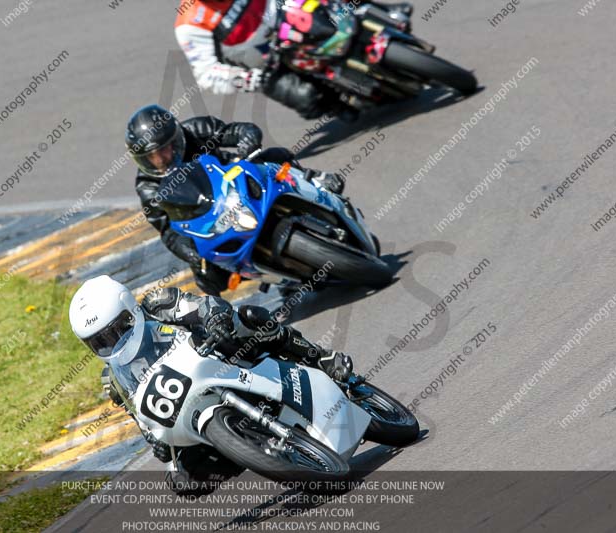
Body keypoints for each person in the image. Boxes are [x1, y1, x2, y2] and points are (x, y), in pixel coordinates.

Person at [69, 275, 353, 493]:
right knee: (184, 481)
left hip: (224, 358)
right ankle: (253, 452)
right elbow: (141, 418)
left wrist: (215, 319)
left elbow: (207, 305)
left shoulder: (159, 304)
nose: (114, 342)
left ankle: (321, 357)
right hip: (189, 406)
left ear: (130, 309)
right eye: (101, 341)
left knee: (250, 318)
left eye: (118, 329)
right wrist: (156, 442)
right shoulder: (114, 380)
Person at [127, 104, 345, 295]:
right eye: (151, 157)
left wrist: (246, 142)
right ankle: (274, 276)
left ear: (175, 139)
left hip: (234, 180)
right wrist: (192, 254)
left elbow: (237, 130)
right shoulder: (148, 187)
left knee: (272, 156)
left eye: (164, 149)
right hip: (208, 218)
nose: (160, 159)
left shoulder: (194, 130)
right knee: (208, 278)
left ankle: (315, 181)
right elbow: (167, 231)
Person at [175, 0, 414, 119]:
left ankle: (382, 9)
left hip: (287, 13)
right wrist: (247, 79)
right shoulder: (189, 23)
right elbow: (206, 72)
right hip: (263, 61)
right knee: (307, 99)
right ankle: (340, 102)